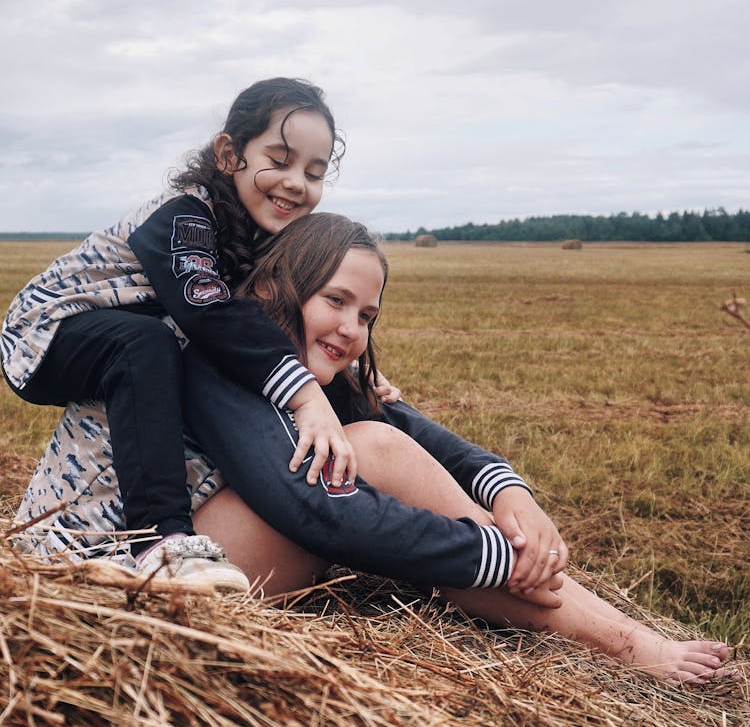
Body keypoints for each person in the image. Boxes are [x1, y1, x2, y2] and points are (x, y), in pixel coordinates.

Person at [13, 214, 733, 684]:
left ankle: (605, 623)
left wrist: (514, 497)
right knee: (371, 460)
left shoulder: (314, 379)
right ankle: (620, 642)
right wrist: (498, 554)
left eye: (367, 314)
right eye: (334, 301)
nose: (353, 327)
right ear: (270, 289)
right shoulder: (216, 358)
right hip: (98, 582)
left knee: (381, 448)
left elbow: (428, 437)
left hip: (157, 561)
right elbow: (315, 512)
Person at [1, 78, 377, 591]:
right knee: (144, 345)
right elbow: (207, 310)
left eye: (313, 173)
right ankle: (162, 540)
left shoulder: (250, 233)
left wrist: (351, 377)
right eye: (280, 159)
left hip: (112, 335)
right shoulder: (184, 214)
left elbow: (264, 322)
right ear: (228, 154)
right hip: (44, 335)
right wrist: (305, 391)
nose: (296, 182)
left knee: (152, 349)